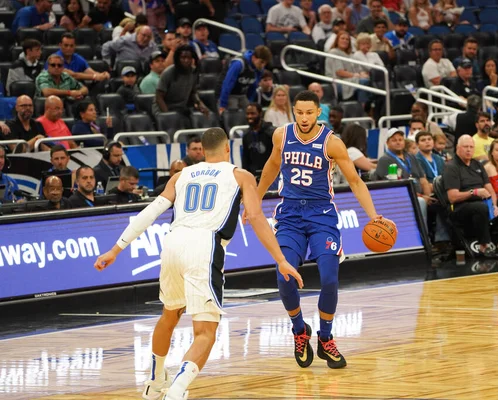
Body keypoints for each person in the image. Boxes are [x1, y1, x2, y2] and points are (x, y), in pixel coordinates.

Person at [94, 127, 302, 400]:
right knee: (205, 332)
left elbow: (151, 211)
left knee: (169, 314)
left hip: (172, 243)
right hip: (204, 247)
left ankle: (155, 381)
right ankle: (177, 391)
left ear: (202, 151)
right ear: (228, 149)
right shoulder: (241, 175)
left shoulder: (181, 176)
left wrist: (115, 249)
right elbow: (256, 218)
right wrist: (281, 259)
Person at [250, 90, 383, 370]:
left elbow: (356, 183)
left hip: (322, 214)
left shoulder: (332, 143)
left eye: (310, 112)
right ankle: (300, 330)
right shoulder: (281, 136)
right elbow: (272, 166)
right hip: (290, 214)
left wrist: (374, 216)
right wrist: (255, 202)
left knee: (330, 279)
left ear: (318, 112)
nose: (304, 117)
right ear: (293, 112)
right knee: (284, 276)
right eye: (299, 112)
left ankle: (325, 337)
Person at [443, 135, 498, 257]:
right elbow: (452, 197)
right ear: (458, 148)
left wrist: (494, 205)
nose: (469, 150)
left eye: (471, 147)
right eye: (465, 147)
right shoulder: (451, 167)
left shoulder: (477, 165)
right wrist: (474, 192)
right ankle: (484, 246)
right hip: (460, 207)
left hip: (483, 203)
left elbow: (490, 190)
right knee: (480, 207)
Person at [153, 45, 208, 118]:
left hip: (181, 108)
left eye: (189, 58)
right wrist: (168, 115)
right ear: (177, 58)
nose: (186, 60)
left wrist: (200, 104)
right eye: (183, 58)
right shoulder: (168, 72)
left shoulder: (194, 72)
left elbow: (193, 92)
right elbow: (159, 97)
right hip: (163, 109)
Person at [215, 46, 272, 115]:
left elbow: (253, 86)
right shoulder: (239, 64)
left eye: (265, 63)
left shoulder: (259, 69)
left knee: (251, 113)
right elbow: (227, 84)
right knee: (234, 115)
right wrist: (222, 105)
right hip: (227, 93)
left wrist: (250, 102)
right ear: (254, 58)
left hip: (242, 94)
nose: (263, 65)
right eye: (261, 62)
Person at [325, 31, 366, 101]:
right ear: (337, 40)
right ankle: (362, 107)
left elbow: (359, 69)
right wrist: (355, 75)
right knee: (363, 82)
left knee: (367, 80)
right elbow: (339, 72)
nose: (345, 41)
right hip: (338, 80)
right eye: (342, 38)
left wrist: (362, 73)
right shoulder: (334, 52)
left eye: (347, 39)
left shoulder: (351, 54)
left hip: (351, 78)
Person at [242, 103, 275, 177]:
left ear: (260, 114)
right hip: (253, 176)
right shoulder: (246, 135)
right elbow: (245, 159)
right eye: (247, 114)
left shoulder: (272, 133)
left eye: (253, 113)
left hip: (271, 175)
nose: (249, 116)